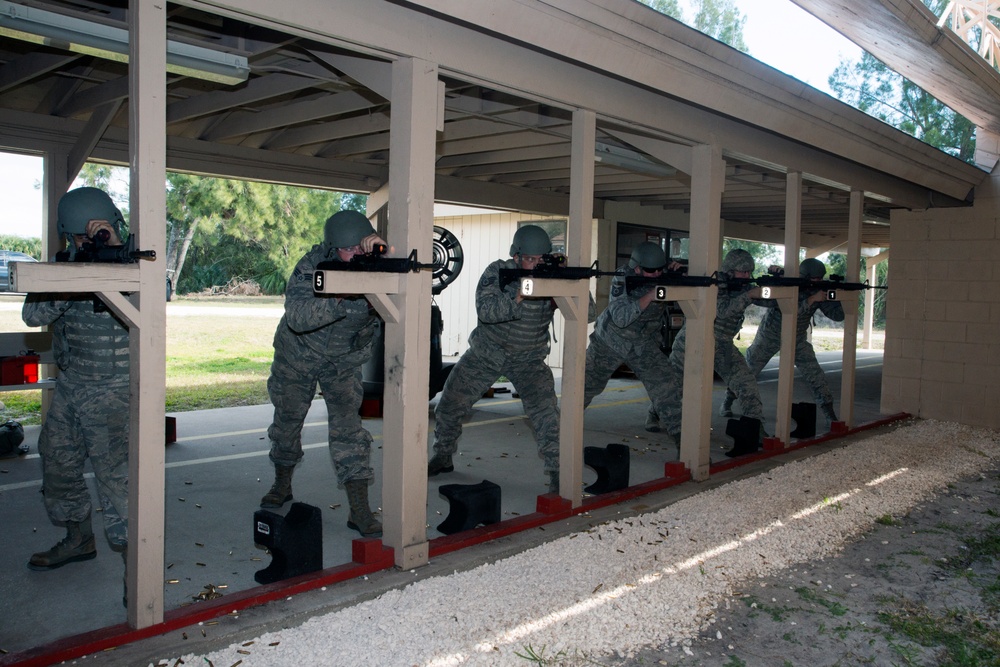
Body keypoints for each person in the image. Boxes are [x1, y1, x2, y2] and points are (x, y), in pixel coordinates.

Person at [427, 225, 594, 493]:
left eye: (541, 258)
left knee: (548, 416)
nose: (536, 264)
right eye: (530, 259)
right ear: (516, 256)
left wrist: (570, 283)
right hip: (486, 354)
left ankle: (557, 473)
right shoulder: (497, 271)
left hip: (529, 360)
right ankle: (443, 455)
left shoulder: (553, 279)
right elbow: (487, 311)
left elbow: (589, 314)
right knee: (448, 406)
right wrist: (520, 294)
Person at [260, 210, 385, 538]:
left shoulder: (379, 267)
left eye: (362, 247)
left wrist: (381, 262)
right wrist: (341, 295)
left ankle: (359, 510)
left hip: (341, 361)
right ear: (332, 249)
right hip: (296, 358)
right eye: (349, 250)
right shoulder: (311, 266)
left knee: (350, 433)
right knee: (287, 424)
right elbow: (298, 317)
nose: (357, 255)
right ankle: (282, 484)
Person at [24, 187, 130, 573]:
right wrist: (74, 276)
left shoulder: (132, 260)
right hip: (72, 385)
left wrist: (114, 256)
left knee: (117, 480)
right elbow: (32, 317)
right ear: (68, 234)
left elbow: (154, 304)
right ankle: (79, 538)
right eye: (80, 235)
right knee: (56, 460)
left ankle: (135, 572)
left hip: (116, 389)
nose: (88, 241)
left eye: (96, 233)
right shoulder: (62, 267)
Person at [650, 248, 768, 455]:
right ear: (730, 270)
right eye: (743, 272)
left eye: (749, 273)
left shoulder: (743, 286)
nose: (747, 276)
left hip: (722, 345)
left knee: (746, 385)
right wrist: (748, 295)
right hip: (692, 341)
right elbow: (721, 311)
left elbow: (769, 300)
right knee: (672, 387)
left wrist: (775, 284)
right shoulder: (716, 284)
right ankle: (653, 414)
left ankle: (757, 430)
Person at [719, 257, 845, 424]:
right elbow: (789, 311)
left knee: (816, 376)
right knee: (748, 372)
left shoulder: (817, 290)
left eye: (821, 278)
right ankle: (727, 402)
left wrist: (834, 296)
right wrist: (811, 300)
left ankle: (830, 415)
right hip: (770, 335)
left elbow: (838, 316)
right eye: (815, 278)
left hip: (797, 338)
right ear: (805, 276)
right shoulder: (789, 285)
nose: (818, 281)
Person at [582, 242, 680, 430]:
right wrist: (649, 296)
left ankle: (684, 445)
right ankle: (560, 432)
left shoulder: (661, 274)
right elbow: (621, 318)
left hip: (643, 344)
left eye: (660, 270)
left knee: (668, 386)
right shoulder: (622, 277)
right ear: (636, 268)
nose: (657, 275)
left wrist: (676, 276)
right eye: (651, 271)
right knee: (585, 388)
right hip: (610, 342)